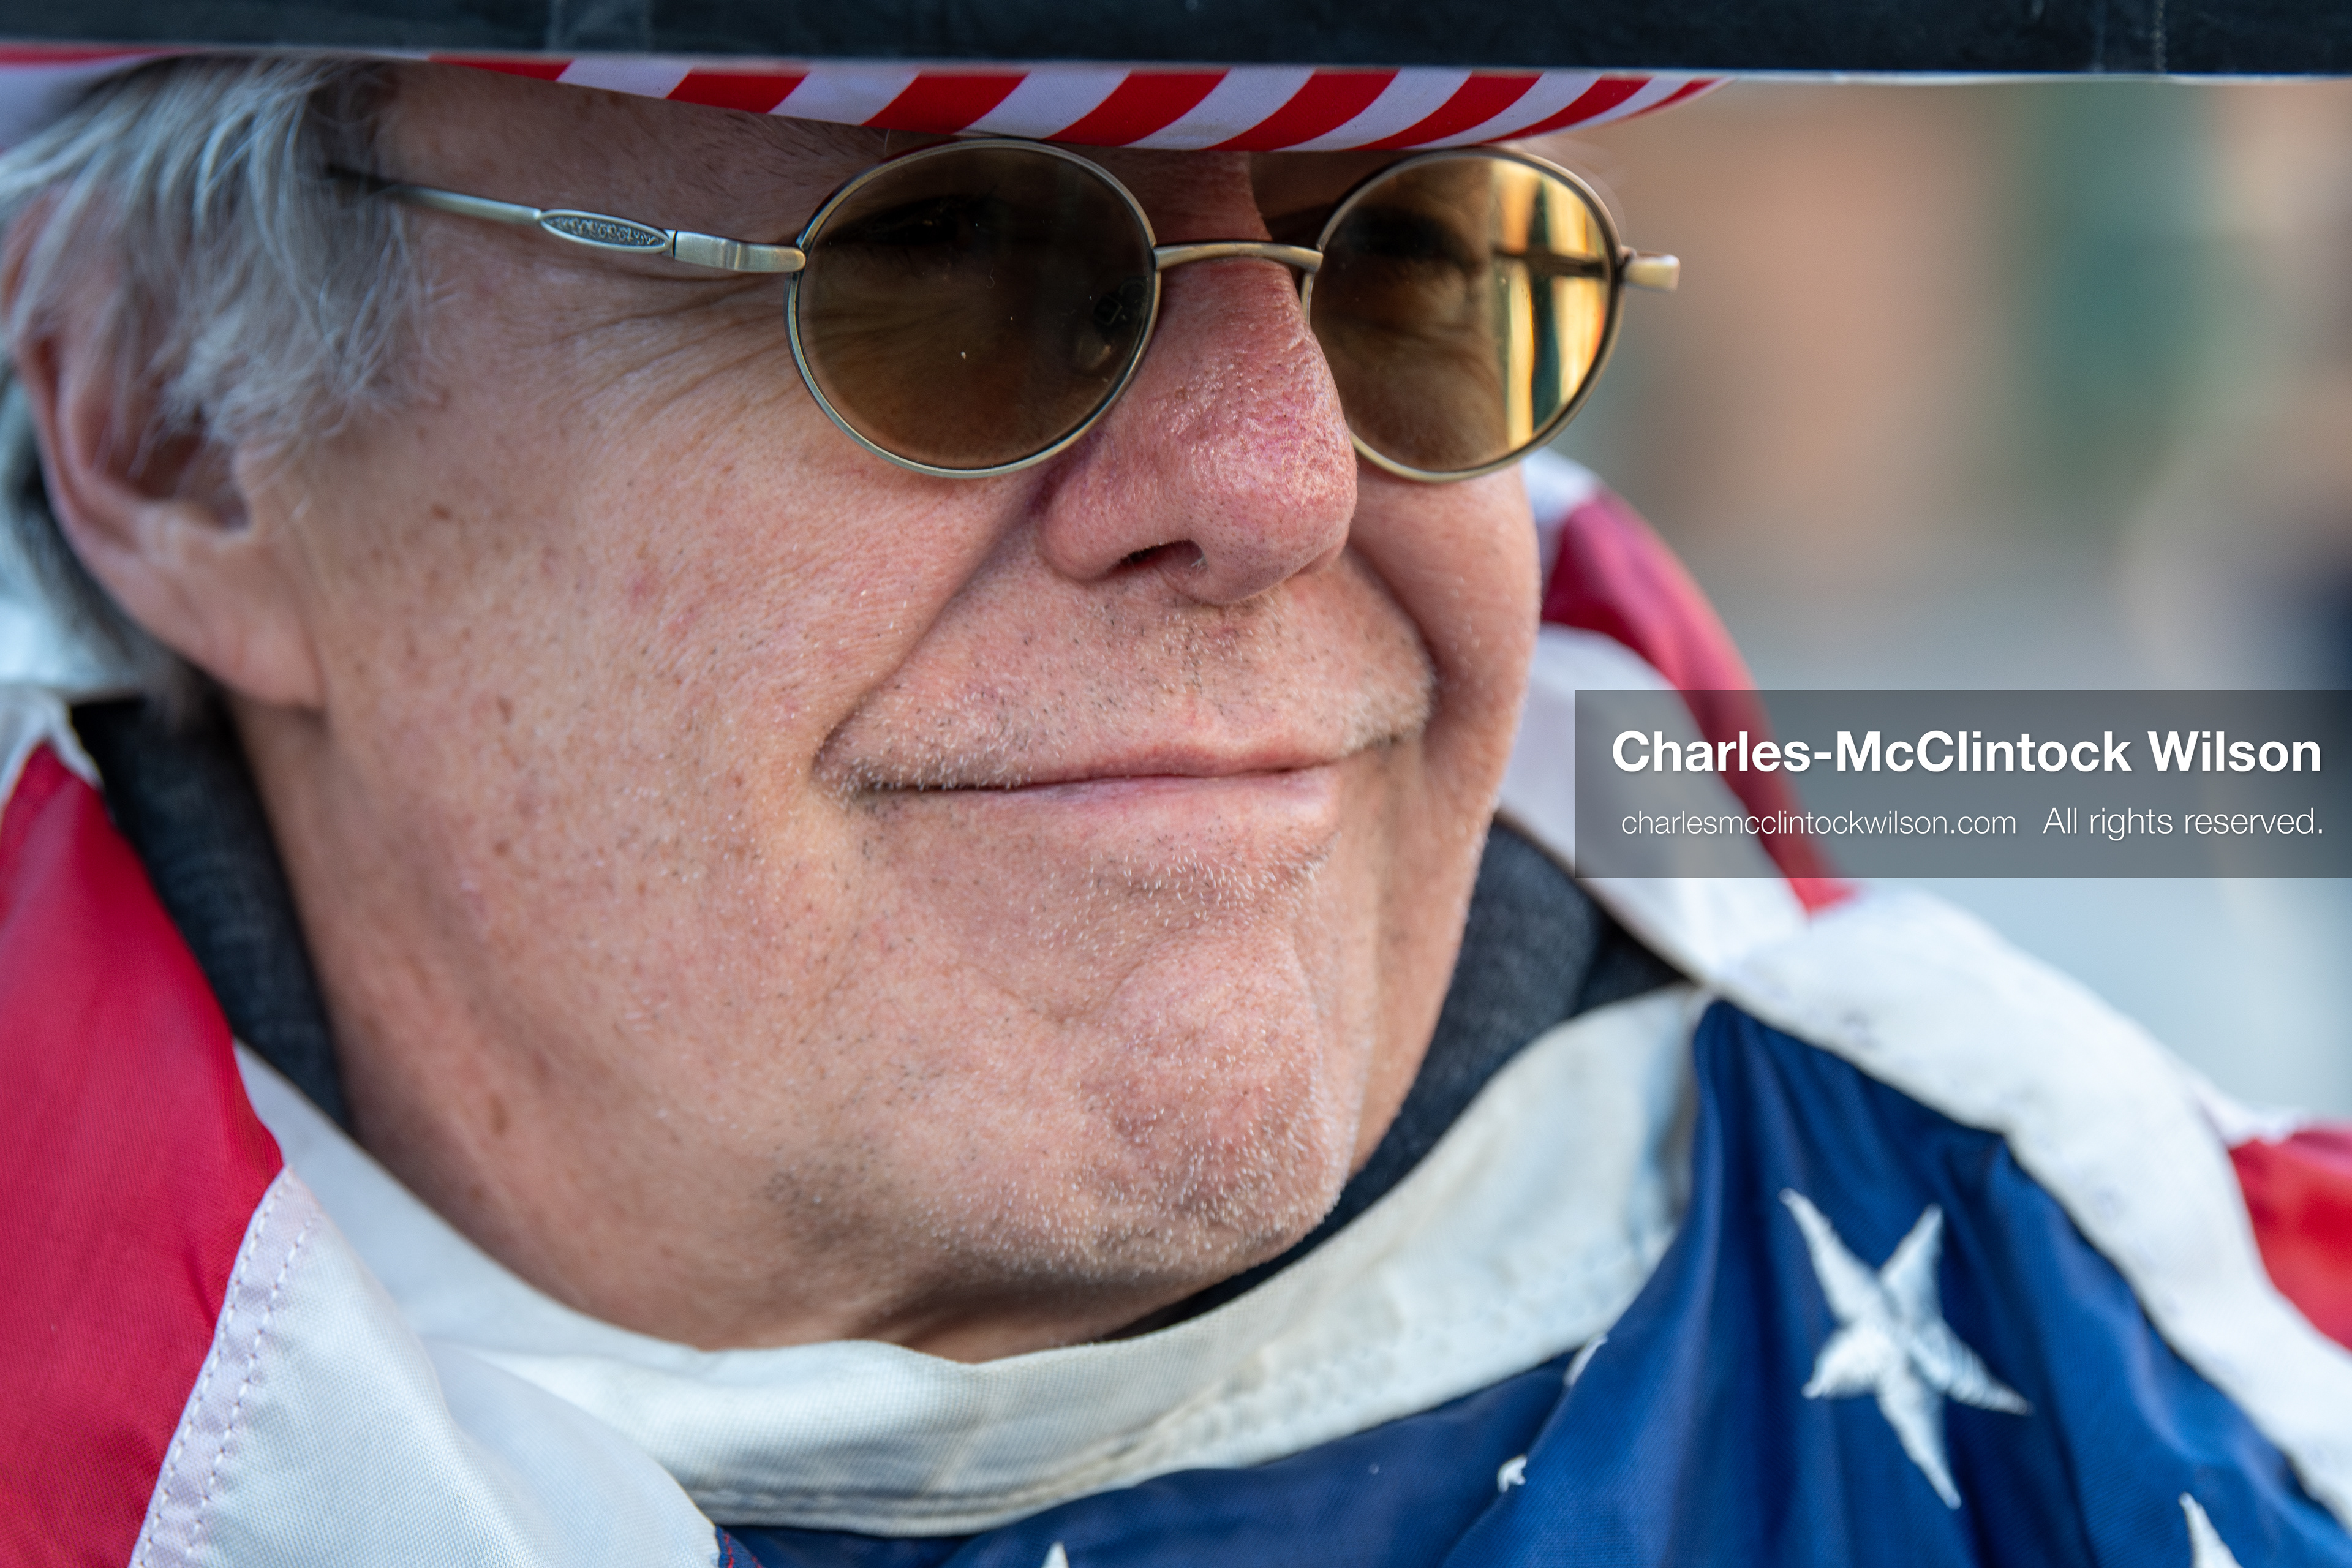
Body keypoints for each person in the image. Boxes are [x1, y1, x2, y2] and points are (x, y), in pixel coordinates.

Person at [1, 45, 2348, 1568]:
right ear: (184, 438)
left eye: (1425, 265)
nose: (1279, 478)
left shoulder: (2201, 1401)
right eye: (951, 269)